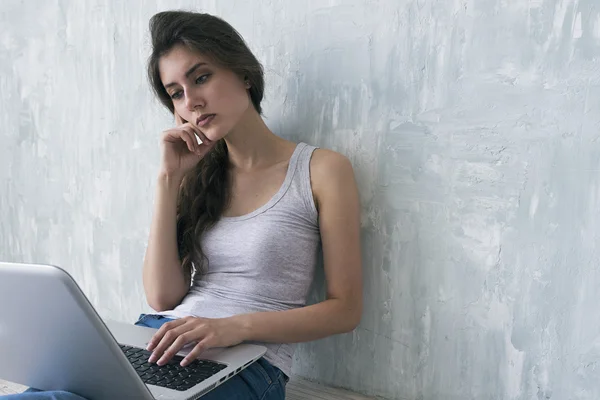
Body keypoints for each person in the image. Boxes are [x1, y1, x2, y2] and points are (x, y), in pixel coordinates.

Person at [6, 10, 363, 400]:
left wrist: (232, 327)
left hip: (248, 365)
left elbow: (344, 310)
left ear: (244, 73)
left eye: (201, 78)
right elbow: (162, 297)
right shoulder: (196, 175)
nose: (191, 101)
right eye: (176, 92)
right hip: (157, 337)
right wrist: (168, 179)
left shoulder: (321, 170)